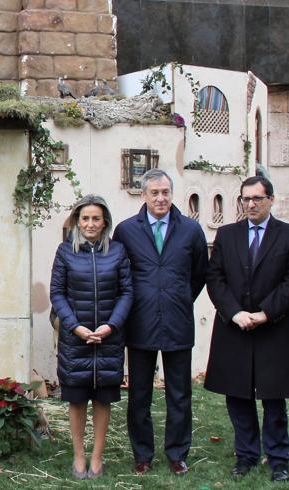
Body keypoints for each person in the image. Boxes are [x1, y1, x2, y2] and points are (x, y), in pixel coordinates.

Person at [205, 176, 289, 482]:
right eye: (246, 199)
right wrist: (235, 312)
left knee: (273, 396)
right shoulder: (227, 235)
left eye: (257, 199)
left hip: (274, 327)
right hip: (234, 326)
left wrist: (265, 313)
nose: (251, 204)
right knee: (238, 395)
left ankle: (278, 458)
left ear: (271, 200)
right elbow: (215, 278)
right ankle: (246, 454)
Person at [112, 168, 208, 475]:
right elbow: (120, 275)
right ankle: (142, 454)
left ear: (172, 194)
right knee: (139, 394)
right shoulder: (127, 231)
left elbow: (199, 275)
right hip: (139, 323)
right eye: (154, 193)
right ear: (144, 195)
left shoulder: (191, 231)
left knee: (179, 394)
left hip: (178, 322)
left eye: (165, 192)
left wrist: (177, 299)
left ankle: (177, 454)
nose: (161, 198)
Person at [50, 195, 132, 480]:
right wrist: (74, 327)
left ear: (105, 221)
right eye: (85, 218)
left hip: (108, 340)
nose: (90, 223)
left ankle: (97, 458)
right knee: (76, 400)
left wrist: (111, 326)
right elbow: (57, 293)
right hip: (76, 340)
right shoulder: (65, 252)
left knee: (102, 399)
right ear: (77, 221)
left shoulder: (118, 252)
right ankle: (78, 457)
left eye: (96, 218)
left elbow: (126, 293)